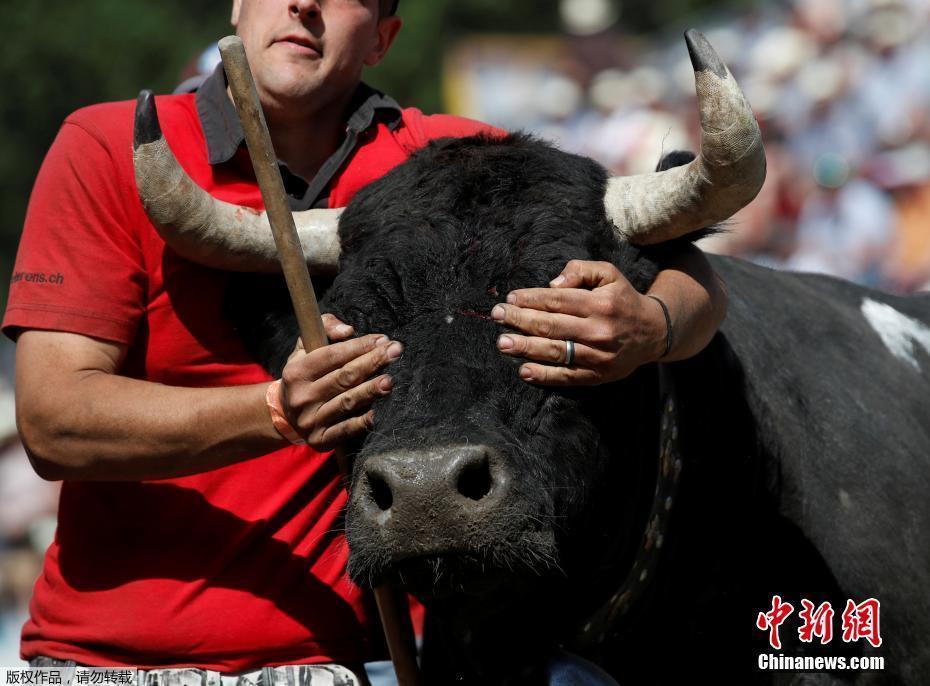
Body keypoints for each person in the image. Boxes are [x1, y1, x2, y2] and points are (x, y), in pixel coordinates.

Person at [2, 0, 727, 681]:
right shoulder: (107, 147)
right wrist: (274, 412)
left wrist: (652, 326)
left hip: (367, 664)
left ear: (384, 35)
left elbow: (692, 270)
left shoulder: (440, 164)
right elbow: (53, 420)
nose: (305, 3)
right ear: (236, 4)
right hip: (112, 663)